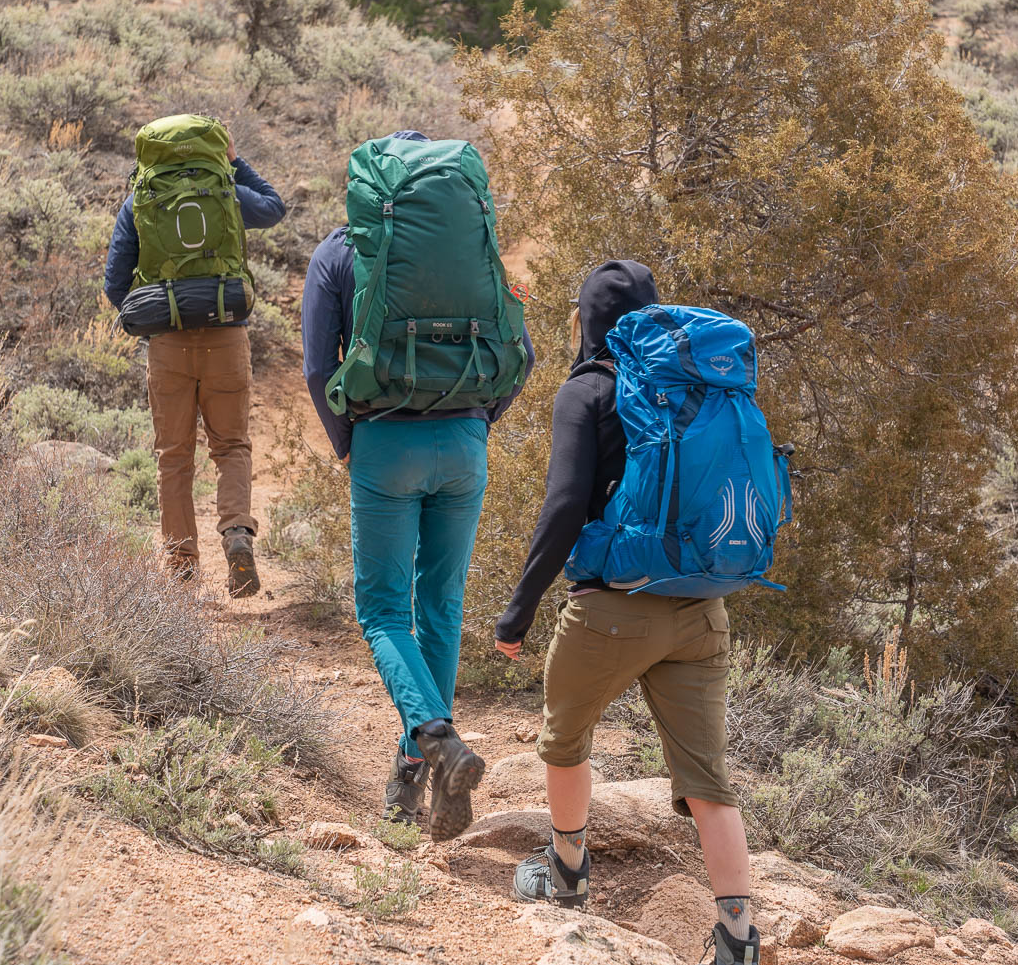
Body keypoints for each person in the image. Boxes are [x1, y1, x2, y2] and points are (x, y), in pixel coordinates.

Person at [494, 260, 763, 965]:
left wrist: (518, 612)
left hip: (611, 610)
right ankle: (738, 937)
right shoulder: (696, 387)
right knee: (708, 782)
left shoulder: (587, 390)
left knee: (564, 739)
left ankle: (567, 875)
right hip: (702, 611)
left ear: (585, 321)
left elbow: (563, 508)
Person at [301, 130, 534, 840]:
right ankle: (416, 774)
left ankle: (433, 738)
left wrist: (348, 443)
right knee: (441, 605)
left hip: (384, 443)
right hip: (464, 444)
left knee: (381, 612)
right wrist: (478, 422)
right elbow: (520, 352)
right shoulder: (475, 251)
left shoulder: (338, 252)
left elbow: (317, 366)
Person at [104, 126, 285, 597]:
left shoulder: (141, 201)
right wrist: (236, 162)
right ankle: (237, 533)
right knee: (231, 446)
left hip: (168, 344)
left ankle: (182, 566)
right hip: (227, 337)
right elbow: (273, 207)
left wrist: (154, 317)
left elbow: (114, 284)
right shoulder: (226, 191)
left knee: (173, 456)